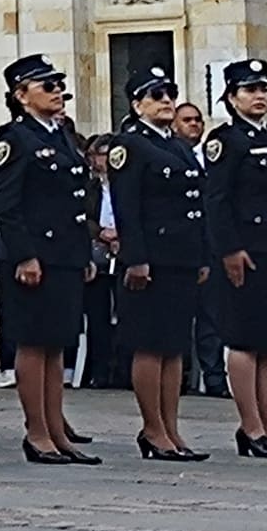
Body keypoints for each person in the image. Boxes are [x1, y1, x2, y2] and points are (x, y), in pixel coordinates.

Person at [0, 55, 98, 464]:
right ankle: (37, 432)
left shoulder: (61, 135)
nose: (58, 93)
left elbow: (75, 202)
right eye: (47, 86)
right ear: (21, 95)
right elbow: (7, 205)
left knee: (56, 344)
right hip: (34, 256)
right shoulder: (15, 139)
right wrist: (25, 255)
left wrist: (82, 253)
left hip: (64, 253)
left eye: (59, 85)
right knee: (34, 343)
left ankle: (56, 429)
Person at [203, 59, 267, 458]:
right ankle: (250, 427)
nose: (259, 96)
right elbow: (218, 200)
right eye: (249, 90)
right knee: (245, 339)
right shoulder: (226, 140)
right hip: (247, 249)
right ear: (232, 98)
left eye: (263, 88)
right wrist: (229, 248)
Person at [105, 68, 210, 461]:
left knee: (173, 346)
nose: (166, 100)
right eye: (156, 95)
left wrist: (201, 255)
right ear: (137, 105)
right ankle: (152, 429)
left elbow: (195, 205)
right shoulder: (130, 145)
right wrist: (136, 258)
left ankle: (171, 427)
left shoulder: (178, 146)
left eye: (170, 93)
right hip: (151, 258)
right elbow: (127, 206)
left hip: (180, 256)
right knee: (150, 344)